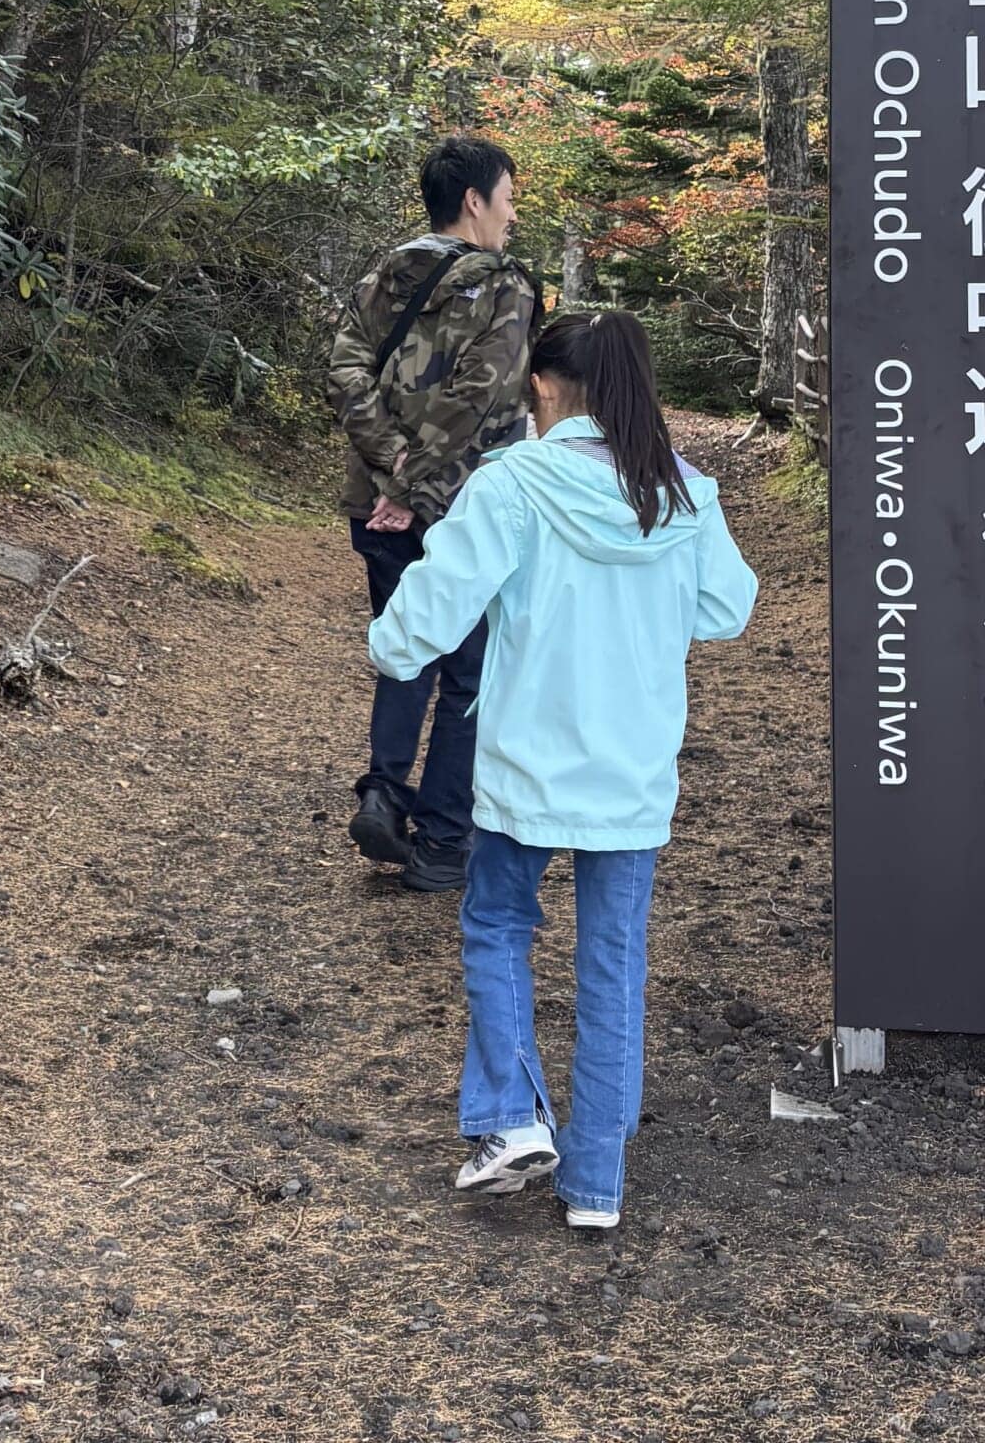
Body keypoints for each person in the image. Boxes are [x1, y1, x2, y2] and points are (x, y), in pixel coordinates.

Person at [366, 309, 757, 1232]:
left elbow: (434, 605)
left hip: (523, 768)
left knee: (499, 926)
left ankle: (508, 1119)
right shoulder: (685, 494)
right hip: (632, 773)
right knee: (613, 964)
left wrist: (389, 649)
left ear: (543, 384)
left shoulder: (516, 484)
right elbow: (726, 608)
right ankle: (596, 1188)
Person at [325, 134, 540, 891]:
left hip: (375, 502)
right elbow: (479, 395)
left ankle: (384, 791)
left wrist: (387, 466)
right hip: (465, 506)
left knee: (404, 643)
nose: (512, 216)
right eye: (509, 199)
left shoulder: (384, 273)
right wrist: (415, 485)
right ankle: (444, 839)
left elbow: (345, 366)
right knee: (472, 671)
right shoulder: (506, 286)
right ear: (475, 201)